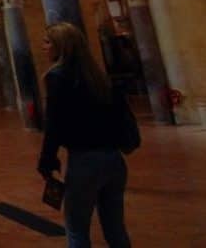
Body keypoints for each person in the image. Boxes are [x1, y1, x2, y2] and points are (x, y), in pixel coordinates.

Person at [37, 22, 135, 248]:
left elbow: (54, 124)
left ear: (61, 46)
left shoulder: (58, 76)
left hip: (84, 161)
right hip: (114, 159)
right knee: (115, 229)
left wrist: (47, 160)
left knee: (77, 230)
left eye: (47, 42)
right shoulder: (99, 76)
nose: (43, 47)